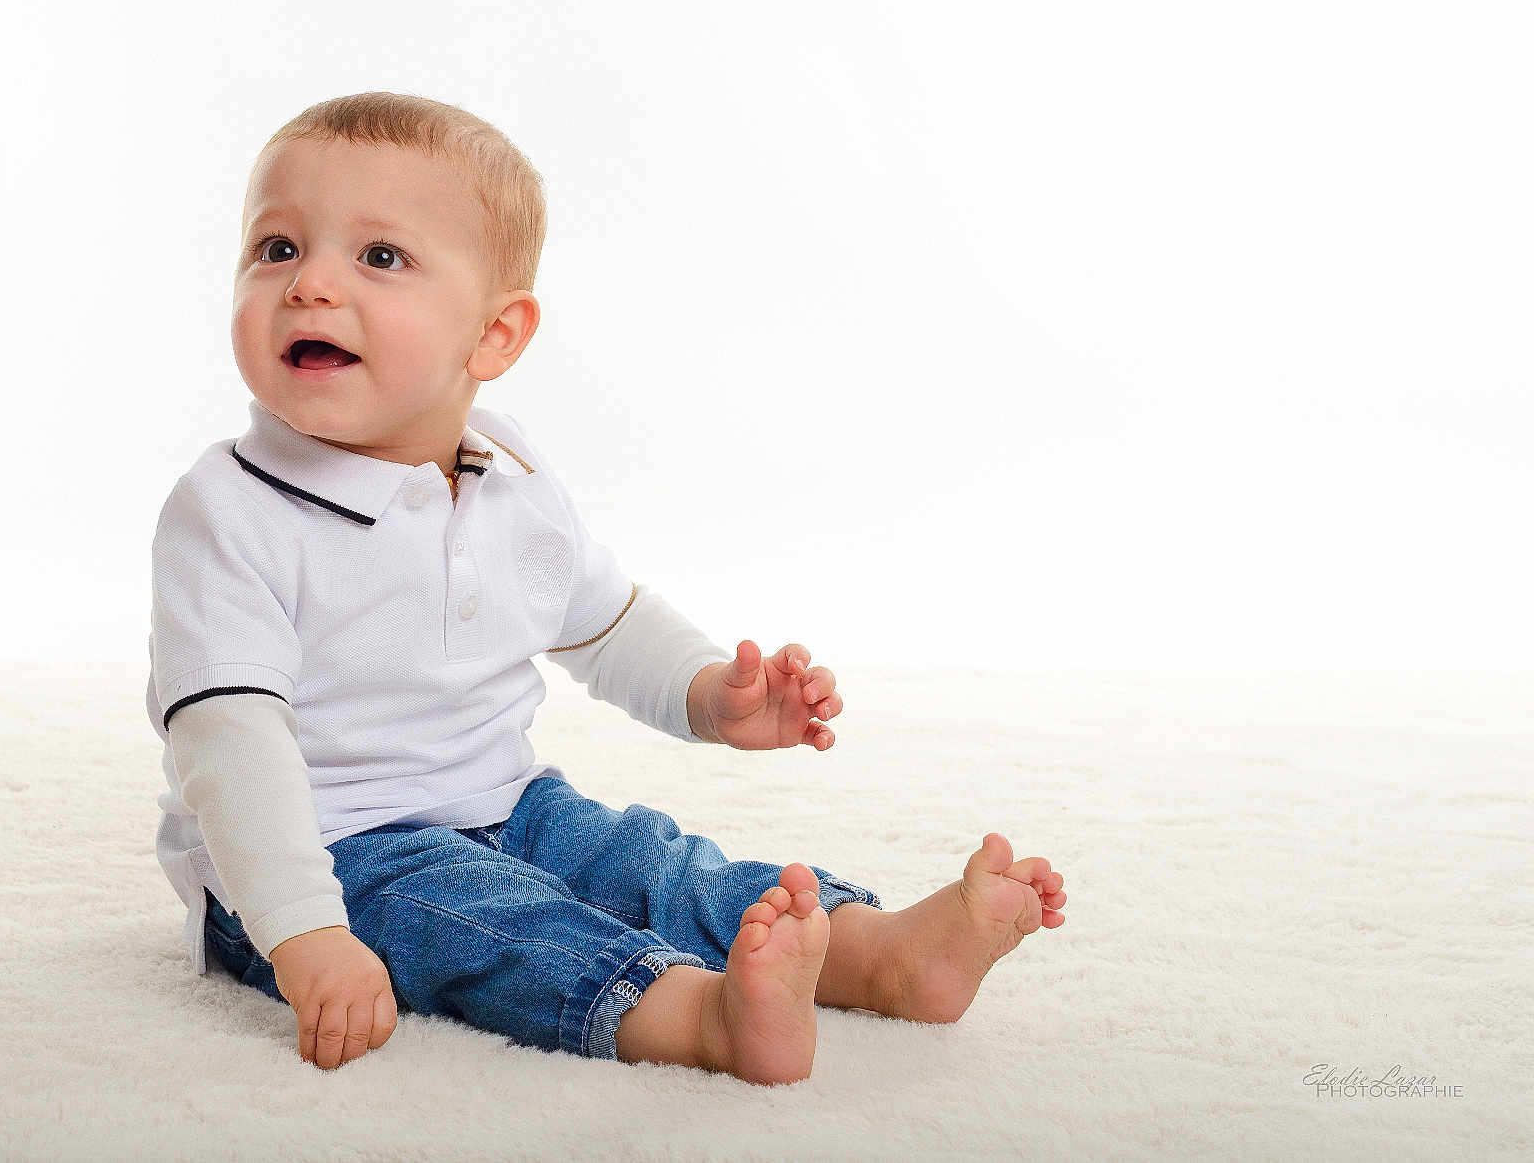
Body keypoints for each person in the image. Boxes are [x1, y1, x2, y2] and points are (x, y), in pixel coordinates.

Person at [145, 91, 1068, 1085]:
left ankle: (880, 953)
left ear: (495, 336)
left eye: (379, 257)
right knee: (499, 923)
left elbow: (603, 618)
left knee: (642, 857)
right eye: (276, 248)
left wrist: (712, 694)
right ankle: (697, 1018)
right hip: (322, 858)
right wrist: (302, 930)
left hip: (507, 799)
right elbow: (228, 746)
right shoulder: (230, 510)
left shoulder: (510, 469)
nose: (308, 284)